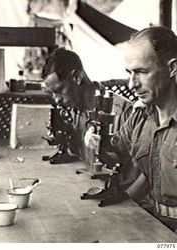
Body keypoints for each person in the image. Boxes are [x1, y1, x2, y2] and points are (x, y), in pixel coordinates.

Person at [85, 26, 177, 232]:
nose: (131, 84)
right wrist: (97, 140)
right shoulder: (140, 117)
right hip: (154, 221)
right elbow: (116, 155)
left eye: (142, 72)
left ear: (172, 68)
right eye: (129, 73)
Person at [42, 47, 138, 191]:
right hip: (89, 186)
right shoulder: (74, 109)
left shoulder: (122, 112)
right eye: (52, 94)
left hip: (122, 197)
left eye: (59, 91)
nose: (57, 100)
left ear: (76, 77)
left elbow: (140, 171)